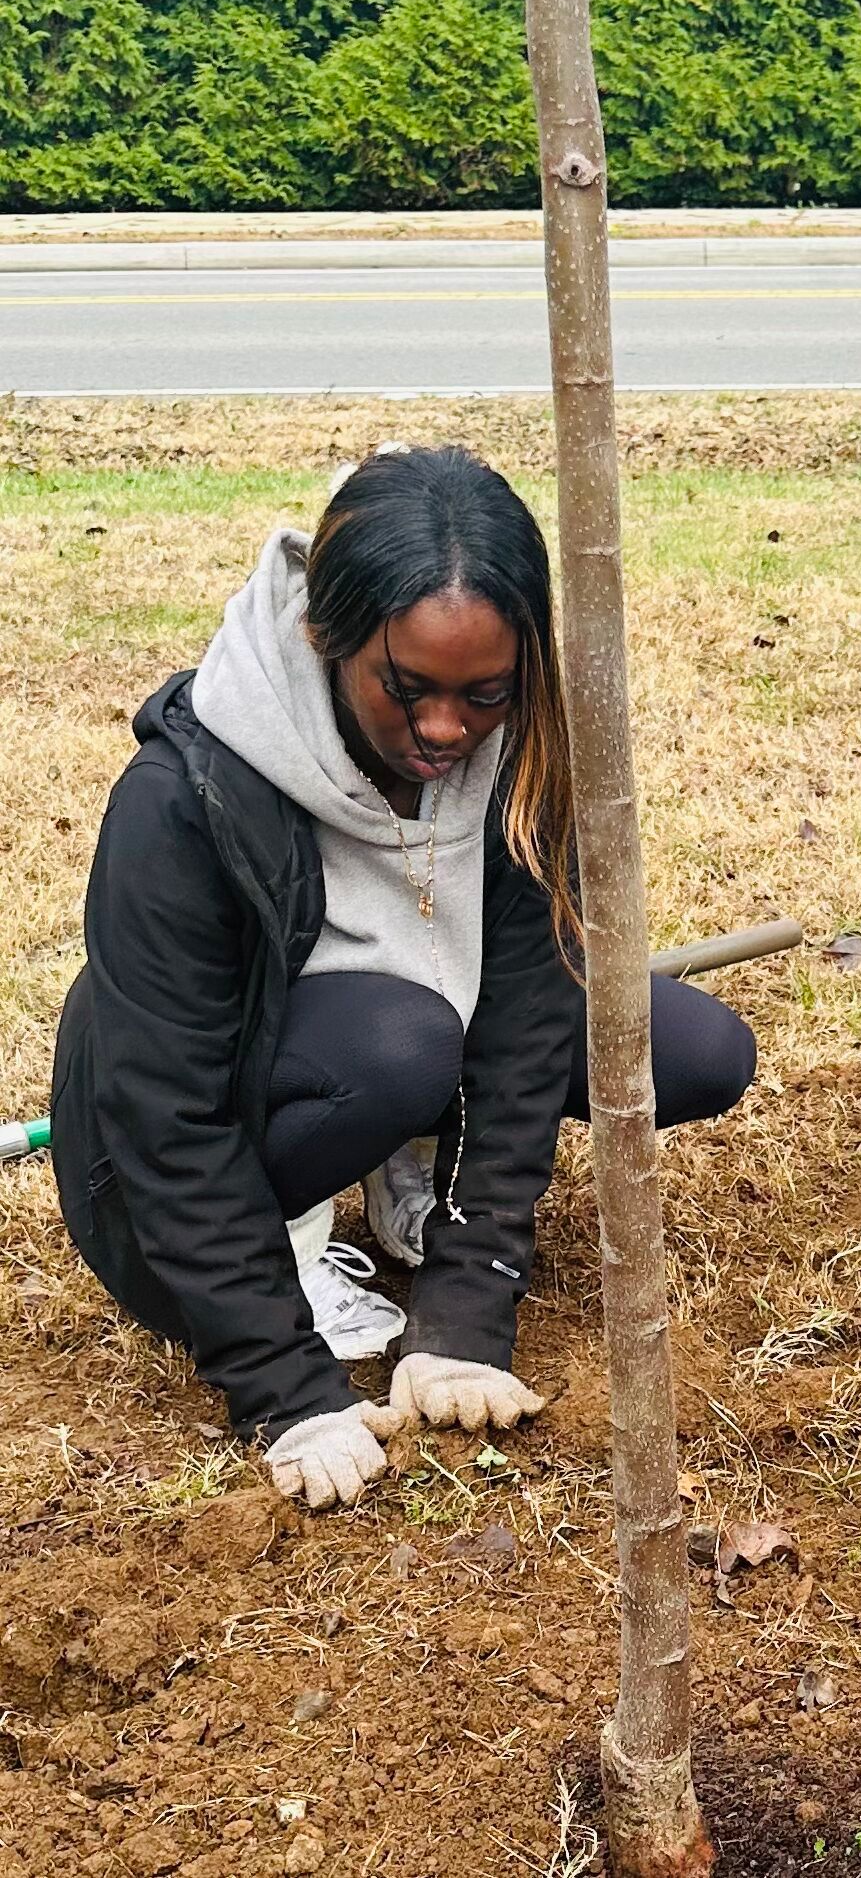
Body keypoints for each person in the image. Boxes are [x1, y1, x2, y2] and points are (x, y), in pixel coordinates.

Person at [51, 445, 756, 1509]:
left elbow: (522, 1030)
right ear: (324, 635)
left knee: (693, 1050)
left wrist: (465, 1313)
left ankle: (405, 1165)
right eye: (407, 687)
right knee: (405, 1046)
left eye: (484, 693)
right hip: (152, 1164)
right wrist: (285, 1388)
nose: (443, 729)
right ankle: (294, 1239)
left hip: (392, 1027)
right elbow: (165, 1117)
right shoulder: (181, 799)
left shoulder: (519, 753)